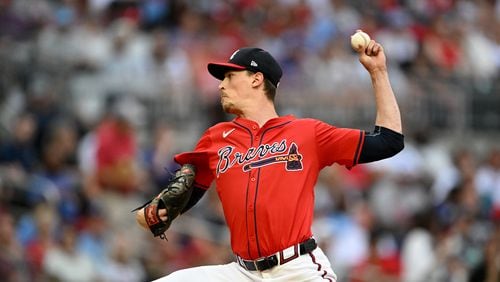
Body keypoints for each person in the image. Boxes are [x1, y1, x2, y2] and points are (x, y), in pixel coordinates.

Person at [136, 38, 404, 281]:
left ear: (256, 79)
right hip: (241, 272)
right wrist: (152, 211)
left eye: (230, 76)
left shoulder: (307, 133)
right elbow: (181, 196)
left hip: (297, 268)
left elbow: (388, 140)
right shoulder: (216, 138)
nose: (221, 84)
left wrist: (378, 72)